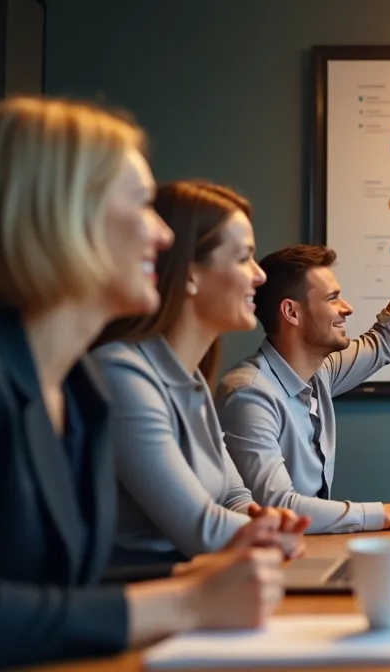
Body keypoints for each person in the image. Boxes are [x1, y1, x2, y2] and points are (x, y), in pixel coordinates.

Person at [0, 96, 293, 670]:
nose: (164, 235)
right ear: (60, 216)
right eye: (142, 204)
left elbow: (61, 590)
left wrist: (196, 578)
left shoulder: (80, 387)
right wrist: (186, 600)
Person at [216, 169, 390, 533]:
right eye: (332, 298)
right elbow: (278, 505)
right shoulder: (250, 394)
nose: (347, 308)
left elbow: (387, 338)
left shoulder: (321, 372)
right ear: (292, 312)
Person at [93, 179, 310, 566]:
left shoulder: (190, 379)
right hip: (153, 595)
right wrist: (269, 533)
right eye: (243, 258)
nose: (260, 276)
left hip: (207, 583)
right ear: (190, 274)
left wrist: (264, 522)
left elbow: (233, 496)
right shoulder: (123, 374)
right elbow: (202, 530)